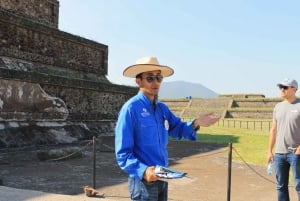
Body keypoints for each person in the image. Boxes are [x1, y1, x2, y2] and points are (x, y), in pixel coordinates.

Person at [115, 56, 220, 201]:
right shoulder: (130, 109)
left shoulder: (162, 109)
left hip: (162, 176)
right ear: (138, 81)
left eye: (159, 78)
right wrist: (144, 171)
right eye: (150, 78)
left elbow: (178, 128)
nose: (156, 82)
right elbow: (123, 154)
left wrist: (196, 122)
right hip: (143, 182)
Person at [267, 78, 300, 201]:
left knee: (299, 185)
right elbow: (273, 129)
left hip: (296, 154)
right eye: (280, 87)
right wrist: (269, 151)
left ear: (294, 88)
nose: (282, 89)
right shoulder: (278, 106)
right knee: (280, 186)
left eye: (285, 87)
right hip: (279, 153)